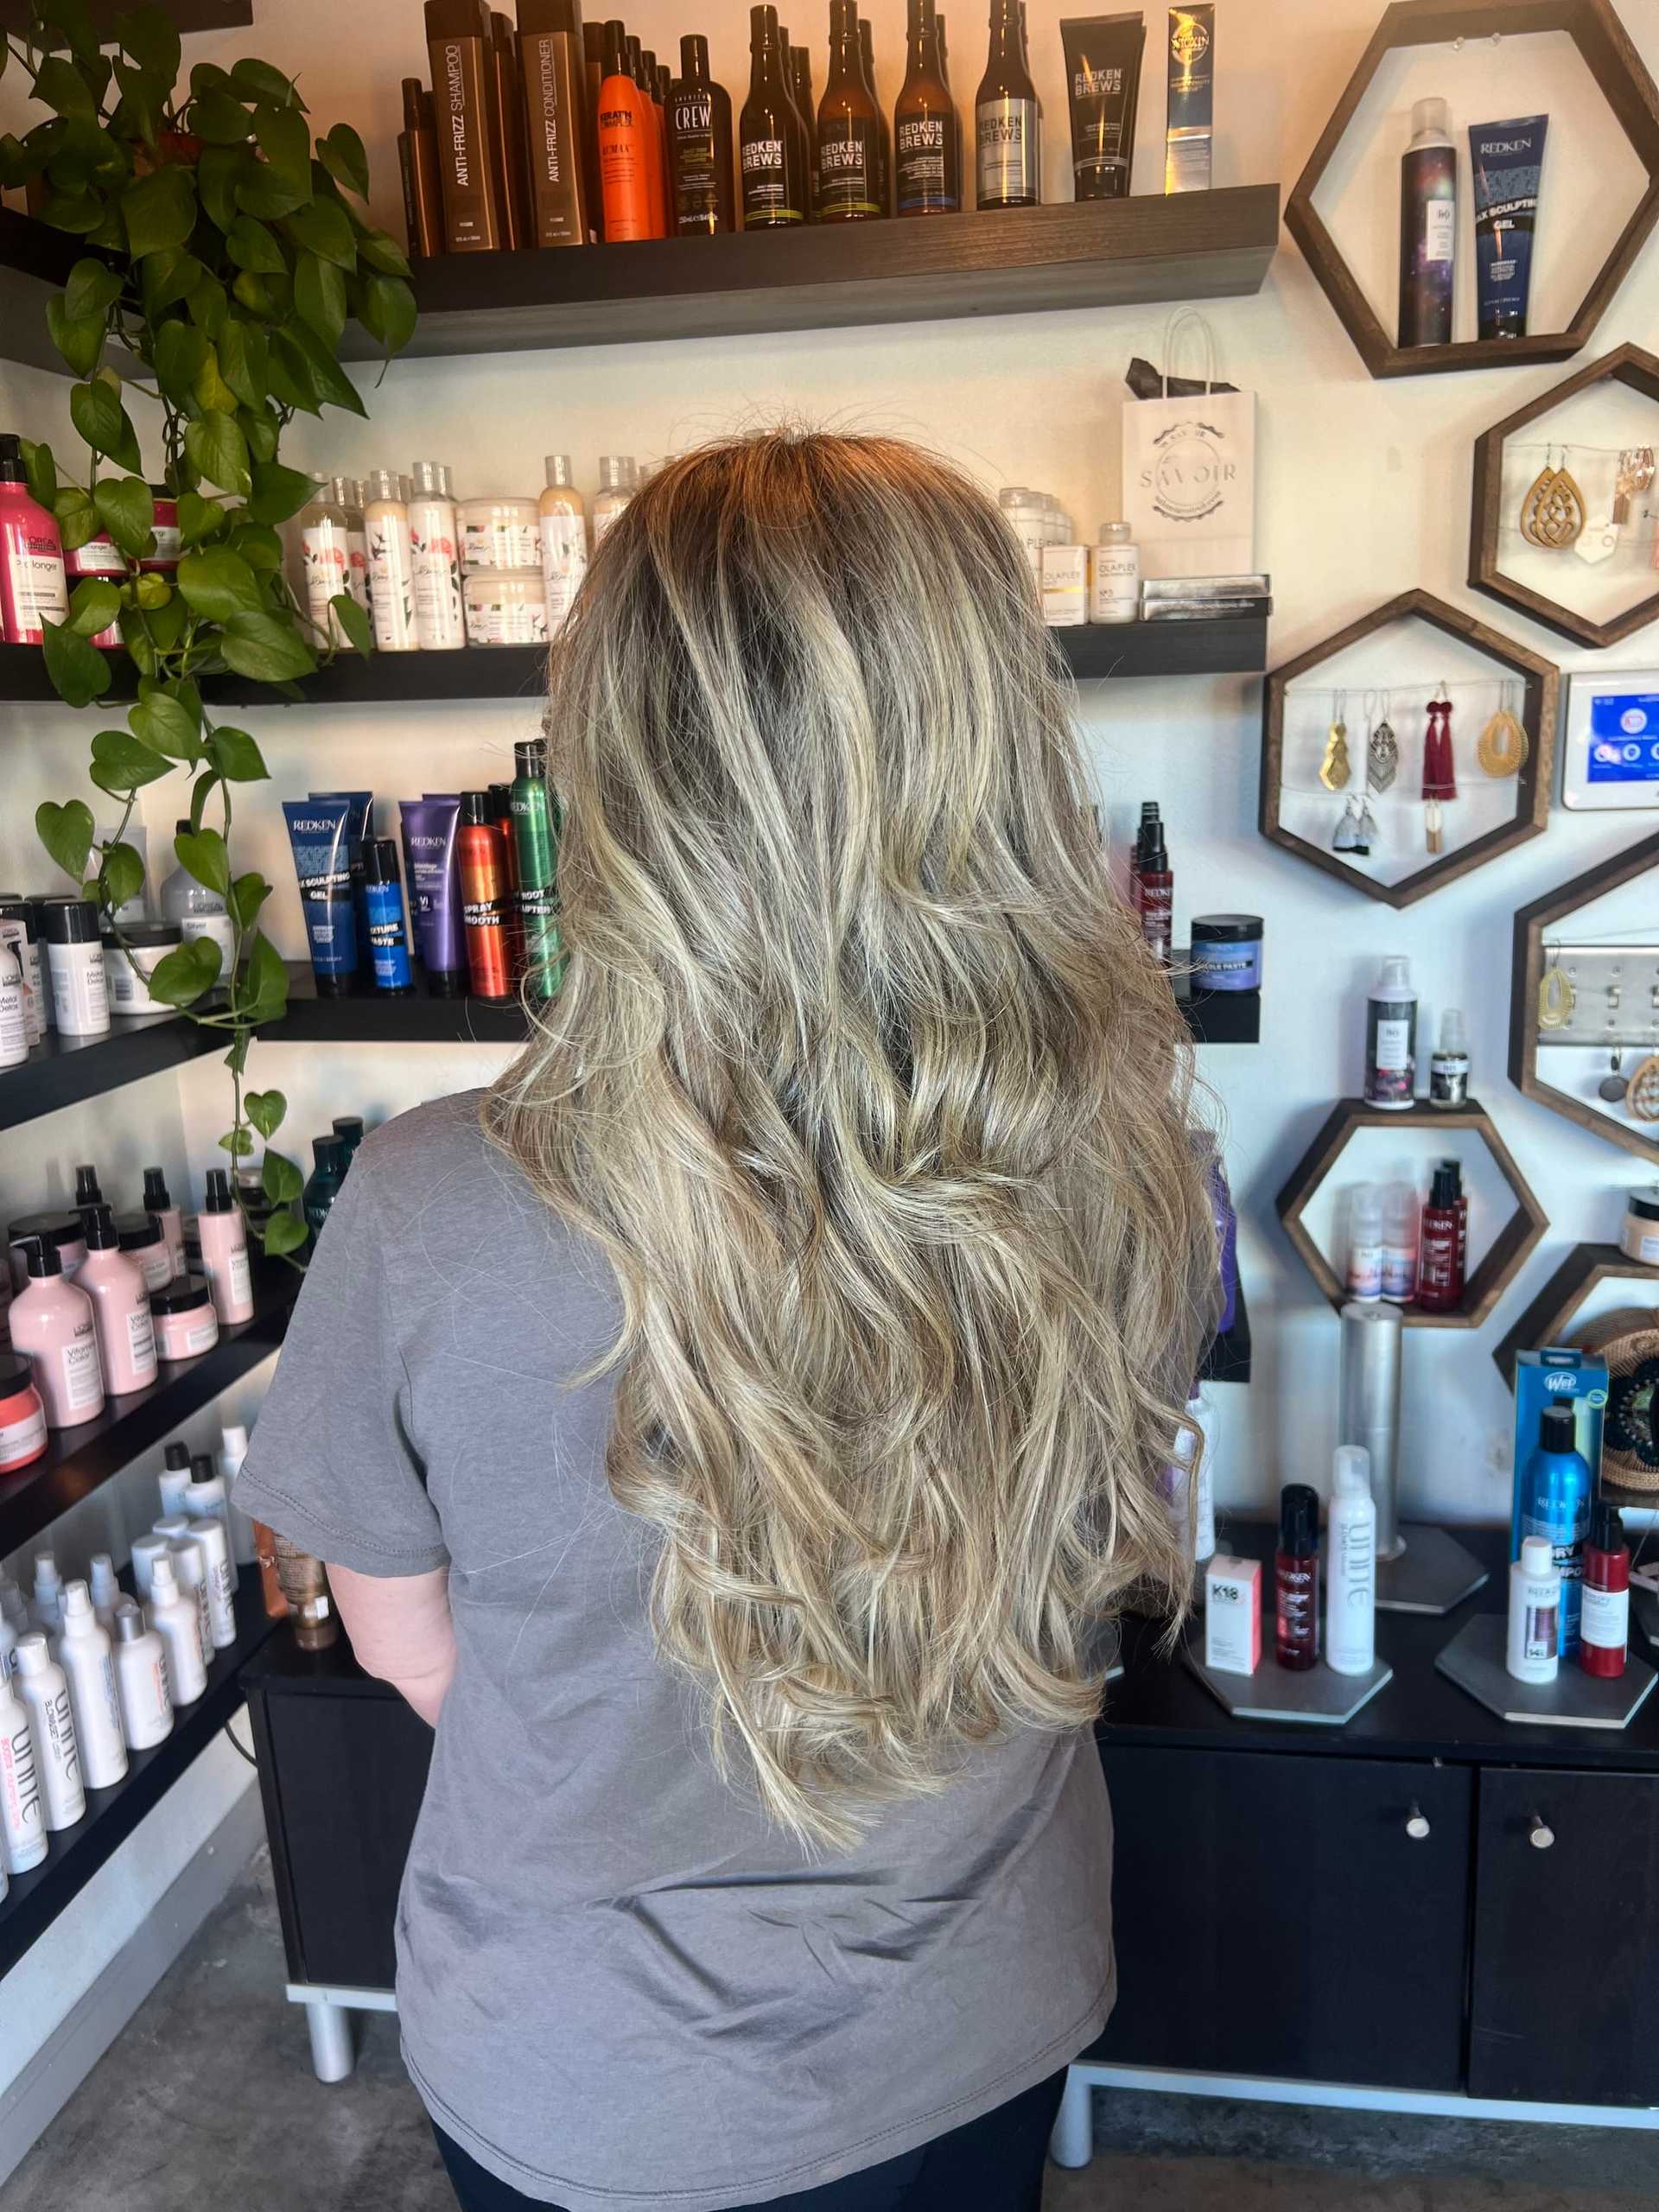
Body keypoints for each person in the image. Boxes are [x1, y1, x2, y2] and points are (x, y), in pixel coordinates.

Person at [235, 430, 1218, 2212]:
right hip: (979, 2017)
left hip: (595, 2079)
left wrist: (631, 1768)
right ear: (997, 740)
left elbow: (402, 1646)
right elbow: (1090, 1553)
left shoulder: (435, 1204)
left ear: (616, 764)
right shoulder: (1131, 1161)